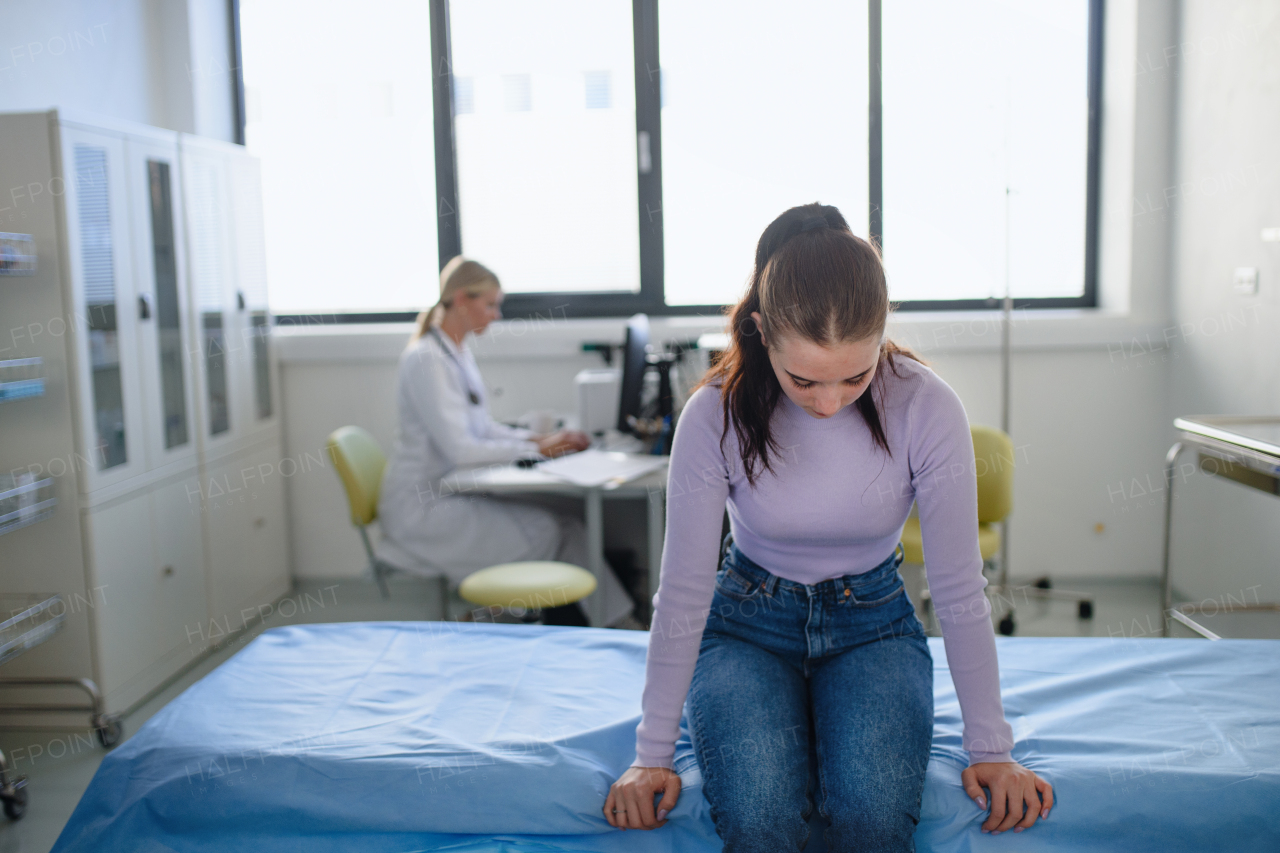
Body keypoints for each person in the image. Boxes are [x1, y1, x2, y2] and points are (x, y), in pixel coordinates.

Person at [603, 204, 1053, 849]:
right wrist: (651, 752)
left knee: (870, 819)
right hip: (745, 629)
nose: (829, 402)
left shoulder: (926, 405)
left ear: (881, 330)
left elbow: (957, 587)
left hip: (872, 628)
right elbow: (682, 588)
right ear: (761, 332)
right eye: (804, 379)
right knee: (761, 819)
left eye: (856, 375)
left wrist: (992, 744)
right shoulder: (714, 414)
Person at [376, 256, 635, 627]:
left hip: (452, 487)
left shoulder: (455, 351)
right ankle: (491, 621)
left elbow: (483, 426)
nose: (496, 315)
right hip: (423, 505)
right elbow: (461, 448)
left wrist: (538, 438)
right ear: (462, 299)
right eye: (490, 305)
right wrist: (536, 449)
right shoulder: (427, 360)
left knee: (572, 524)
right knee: (546, 530)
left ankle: (623, 627)